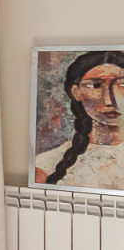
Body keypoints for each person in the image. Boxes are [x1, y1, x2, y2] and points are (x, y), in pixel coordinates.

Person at [35, 50, 124, 189]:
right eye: (95, 86)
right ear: (75, 92)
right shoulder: (46, 164)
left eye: (122, 85)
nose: (109, 100)